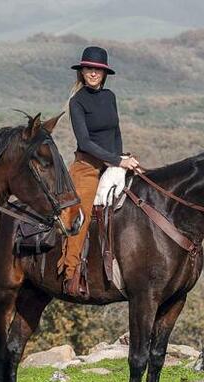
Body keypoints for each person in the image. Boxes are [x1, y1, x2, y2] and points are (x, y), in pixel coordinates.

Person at [58, 46, 141, 297]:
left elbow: (115, 132)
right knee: (79, 215)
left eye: (97, 70)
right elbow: (85, 143)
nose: (92, 73)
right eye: (88, 69)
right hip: (87, 166)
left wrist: (122, 158)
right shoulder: (77, 102)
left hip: (114, 161)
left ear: (104, 73)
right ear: (81, 72)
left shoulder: (110, 97)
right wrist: (117, 160)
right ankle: (70, 272)